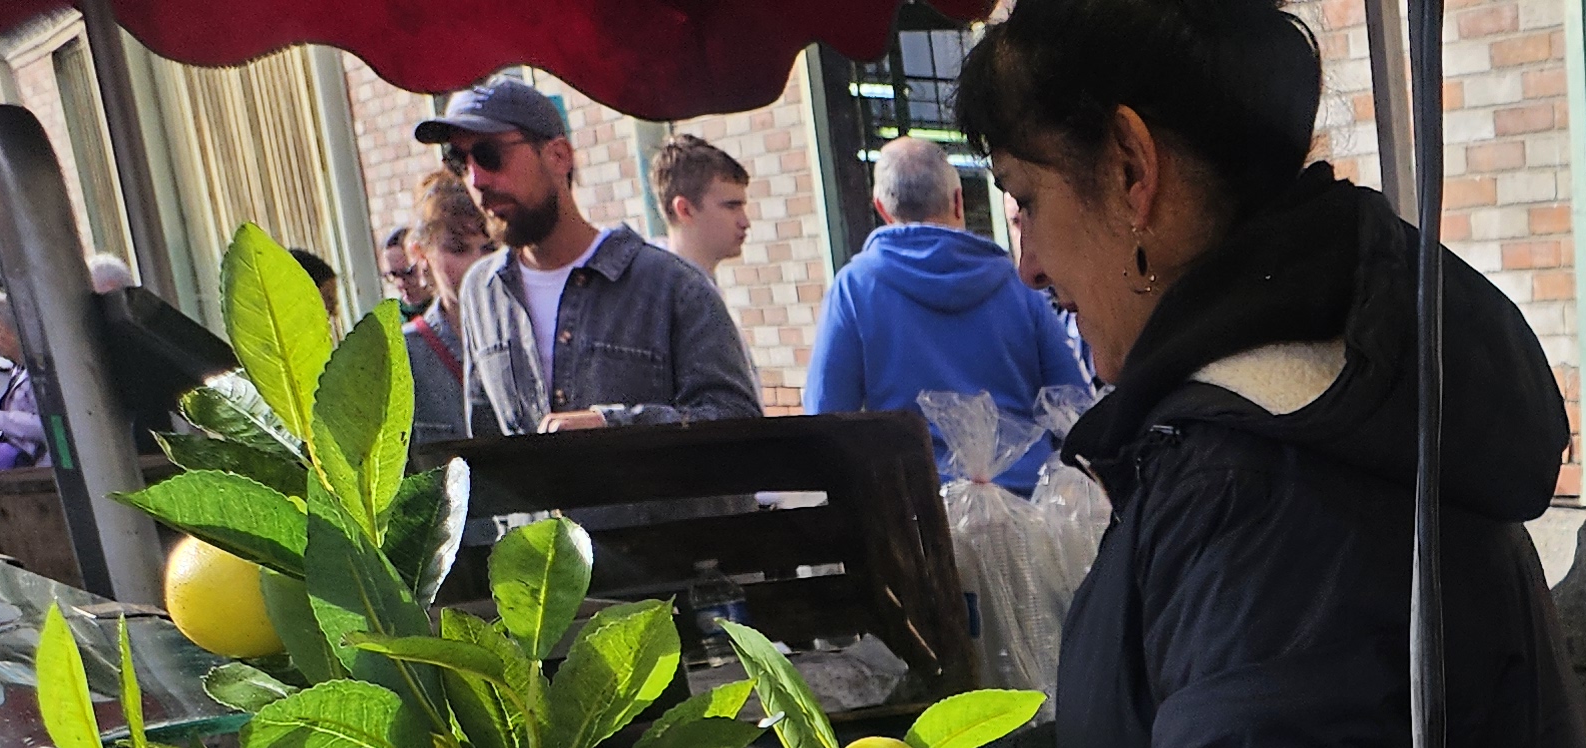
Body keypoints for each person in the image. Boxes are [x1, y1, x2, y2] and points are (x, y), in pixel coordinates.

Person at [939, 0, 1586, 748]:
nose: (1022, 260)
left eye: (1024, 199)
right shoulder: (1301, 411)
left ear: (1133, 171)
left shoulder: (1273, 469)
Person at [413, 79, 758, 434]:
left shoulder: (671, 284)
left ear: (559, 156)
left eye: (490, 155)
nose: (475, 178)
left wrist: (613, 427)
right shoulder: (482, 291)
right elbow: (488, 445)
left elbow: (739, 422)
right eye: (458, 161)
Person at [807, 132, 1087, 490]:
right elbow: (1074, 403)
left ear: (881, 208)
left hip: (912, 518)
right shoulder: (1018, 285)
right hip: (1025, 512)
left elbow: (824, 420)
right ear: (958, 201)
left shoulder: (853, 290)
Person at [401, 170, 493, 442]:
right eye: (458, 249)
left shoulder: (532, 332)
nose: (477, 265)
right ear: (421, 253)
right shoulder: (405, 356)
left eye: (490, 248)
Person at [655, 135, 753, 281]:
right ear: (685, 210)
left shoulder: (674, 286)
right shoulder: (660, 294)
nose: (745, 223)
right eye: (731, 206)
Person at [0, 304, 39, 471]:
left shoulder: (39, 374)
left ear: (16, 330)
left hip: (37, 465)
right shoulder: (15, 370)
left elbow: (45, 425)